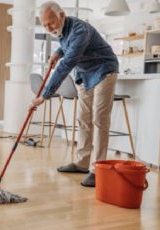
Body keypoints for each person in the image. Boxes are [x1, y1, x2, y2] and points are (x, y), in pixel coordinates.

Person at [30, 1, 119, 187]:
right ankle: (81, 163)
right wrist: (57, 52)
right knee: (84, 119)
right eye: (44, 25)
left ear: (61, 15)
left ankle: (98, 168)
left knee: (99, 119)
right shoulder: (61, 29)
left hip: (104, 69)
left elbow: (66, 64)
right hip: (85, 74)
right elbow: (65, 45)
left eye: (51, 23)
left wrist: (45, 95)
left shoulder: (80, 30)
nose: (48, 28)